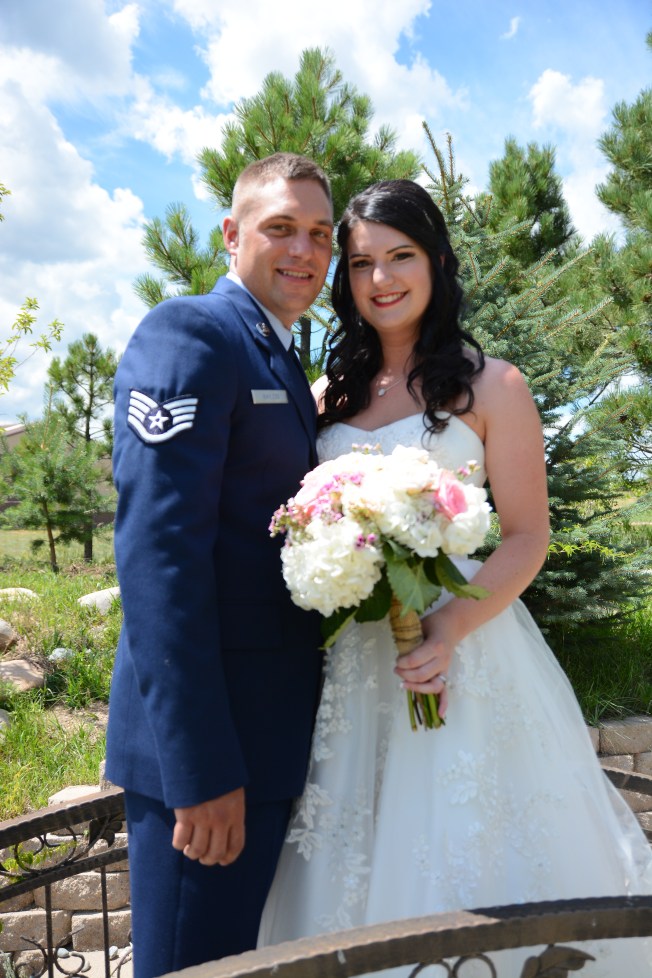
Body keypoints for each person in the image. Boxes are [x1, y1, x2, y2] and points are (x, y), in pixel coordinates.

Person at [258, 179, 652, 976]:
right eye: (362, 263)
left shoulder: (493, 385)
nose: (381, 279)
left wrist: (447, 630)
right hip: (358, 657)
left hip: (469, 649)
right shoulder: (325, 395)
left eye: (400, 256)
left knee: (461, 838)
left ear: (436, 260)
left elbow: (528, 536)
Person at [105, 153, 334, 978]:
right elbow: (160, 559)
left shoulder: (275, 353)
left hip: (269, 741)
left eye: (318, 234)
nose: (303, 250)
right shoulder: (191, 333)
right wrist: (199, 770)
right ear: (232, 233)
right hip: (209, 762)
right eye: (280, 228)